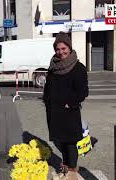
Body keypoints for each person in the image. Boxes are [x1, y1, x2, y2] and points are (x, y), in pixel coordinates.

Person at [43, 32, 88, 180]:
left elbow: (83, 92)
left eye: (63, 48)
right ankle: (66, 165)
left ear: (69, 47)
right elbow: (48, 86)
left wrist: (71, 103)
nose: (61, 52)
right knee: (58, 140)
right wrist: (46, 100)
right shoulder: (53, 66)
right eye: (58, 49)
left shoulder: (78, 67)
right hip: (54, 111)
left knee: (69, 142)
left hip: (69, 112)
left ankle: (72, 170)